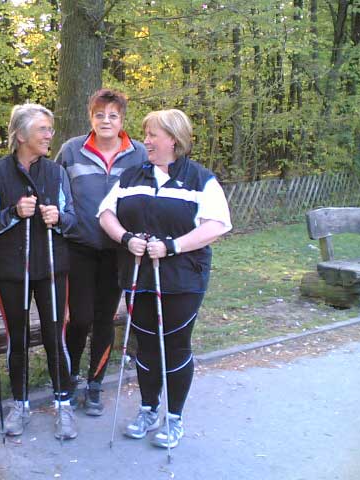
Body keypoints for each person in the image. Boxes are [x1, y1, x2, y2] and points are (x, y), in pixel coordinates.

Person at [98, 109, 231, 449]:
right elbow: (106, 213)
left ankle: (174, 418)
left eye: (152, 135)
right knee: (145, 345)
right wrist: (126, 238)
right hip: (138, 275)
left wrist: (172, 246)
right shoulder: (131, 176)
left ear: (173, 138)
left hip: (183, 279)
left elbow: (216, 225)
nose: (146, 141)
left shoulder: (200, 179)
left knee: (174, 345)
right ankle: (147, 409)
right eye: (146, 134)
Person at [0, 104, 78, 440]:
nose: (50, 135)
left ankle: (63, 403)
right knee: (17, 339)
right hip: (11, 271)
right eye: (43, 130)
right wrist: (13, 212)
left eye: (50, 129)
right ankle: (19, 403)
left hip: (52, 268)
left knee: (55, 337)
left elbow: (73, 219)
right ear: (20, 135)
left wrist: (58, 218)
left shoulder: (56, 172)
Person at [55, 89, 147, 415]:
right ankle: (68, 378)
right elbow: (58, 192)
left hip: (118, 250)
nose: (105, 121)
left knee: (104, 318)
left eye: (113, 115)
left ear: (122, 119)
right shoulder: (71, 151)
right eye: (99, 115)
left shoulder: (138, 154)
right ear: (90, 117)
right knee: (78, 318)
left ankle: (95, 385)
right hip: (79, 247)